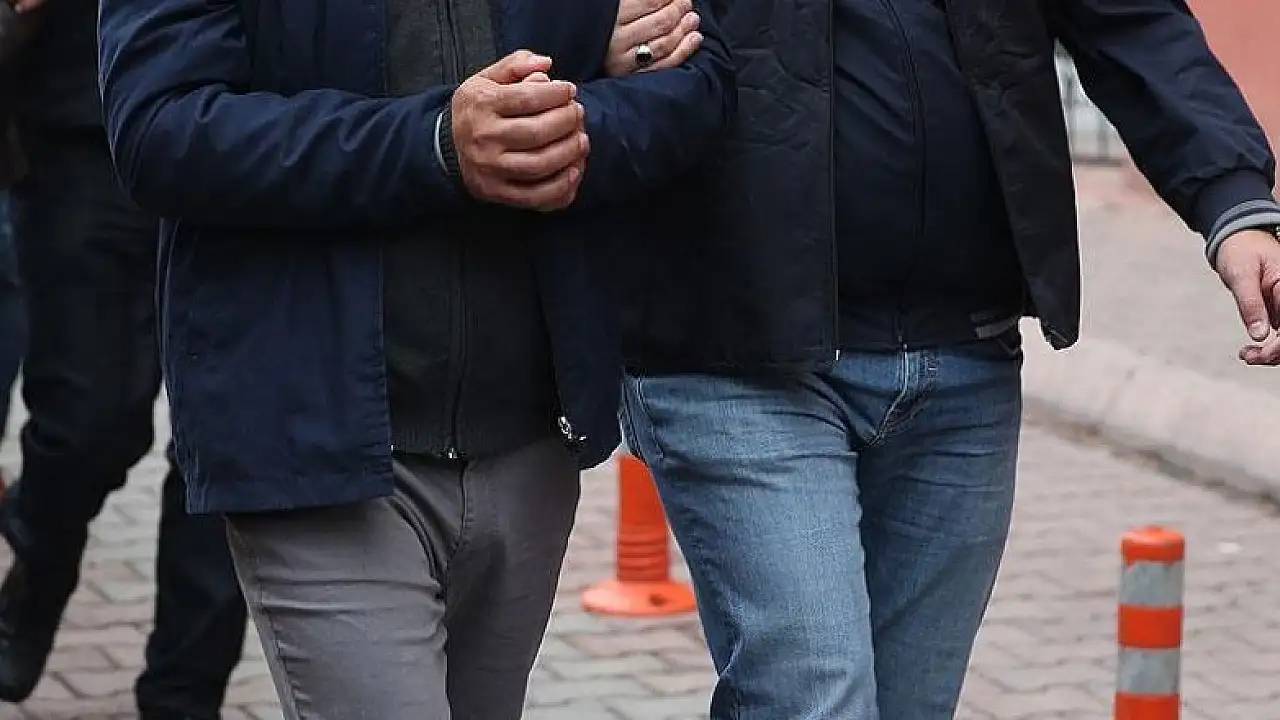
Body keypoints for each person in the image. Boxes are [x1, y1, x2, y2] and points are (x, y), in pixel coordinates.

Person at [614, 0, 1280, 717]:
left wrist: (1233, 203)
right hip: (738, 351)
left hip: (965, 357)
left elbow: (1132, 21)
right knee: (815, 698)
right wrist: (597, 48)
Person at [96, 0, 733, 717]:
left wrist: (565, 124)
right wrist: (434, 144)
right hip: (321, 445)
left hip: (529, 442)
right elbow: (161, 129)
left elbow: (699, 79)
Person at [0, 0, 248, 716]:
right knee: (86, 420)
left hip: (246, 131)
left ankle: (183, 696)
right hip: (83, 123)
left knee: (229, 445)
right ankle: (38, 570)